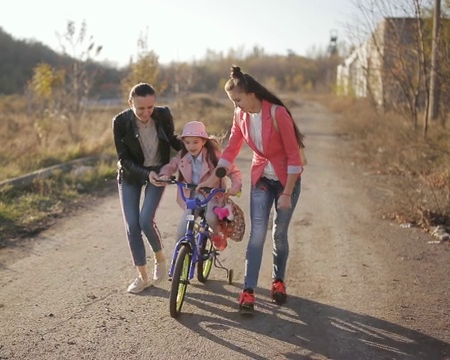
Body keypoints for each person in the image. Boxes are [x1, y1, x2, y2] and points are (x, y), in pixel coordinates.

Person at [199, 66, 305, 311]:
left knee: (278, 233)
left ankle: (278, 281)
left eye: (237, 100)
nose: (236, 105)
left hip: (286, 181)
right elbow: (232, 149)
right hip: (262, 179)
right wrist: (215, 176)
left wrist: (287, 194)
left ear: (251, 94)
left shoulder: (278, 114)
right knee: (257, 234)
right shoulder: (240, 115)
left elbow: (294, 158)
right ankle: (248, 290)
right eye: (233, 102)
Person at [112, 82, 183, 294]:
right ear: (130, 103)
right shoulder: (120, 122)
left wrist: (196, 146)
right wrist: (146, 174)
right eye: (140, 108)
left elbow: (171, 140)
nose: (146, 112)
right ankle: (142, 277)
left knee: (145, 220)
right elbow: (123, 158)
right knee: (132, 225)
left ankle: (160, 258)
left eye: (150, 107)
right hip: (132, 174)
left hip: (159, 172)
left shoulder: (163, 115)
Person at [157, 121, 242, 251]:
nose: (191, 146)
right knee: (182, 230)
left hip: (212, 196)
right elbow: (170, 166)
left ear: (203, 141)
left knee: (211, 217)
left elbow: (233, 171)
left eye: (195, 142)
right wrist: (164, 175)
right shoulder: (183, 156)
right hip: (193, 196)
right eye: (187, 142)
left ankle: (217, 234)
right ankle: (181, 260)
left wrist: (235, 186)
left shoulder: (214, 156)